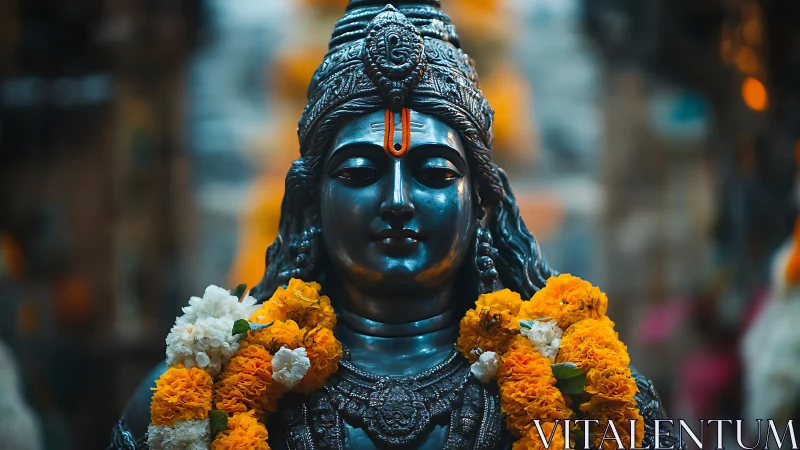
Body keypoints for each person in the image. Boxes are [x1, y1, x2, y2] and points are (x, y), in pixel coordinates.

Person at [110, 1, 680, 448]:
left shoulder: (587, 389)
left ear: (481, 200)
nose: (399, 200)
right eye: (361, 172)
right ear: (310, 202)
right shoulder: (195, 398)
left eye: (435, 172)